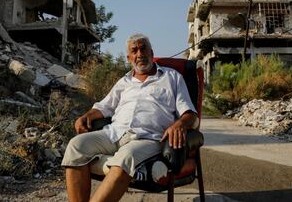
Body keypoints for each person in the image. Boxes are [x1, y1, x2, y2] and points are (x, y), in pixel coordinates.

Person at [62, 33, 198, 202]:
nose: (139, 54)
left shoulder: (172, 77)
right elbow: (104, 107)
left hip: (148, 138)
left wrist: (180, 124)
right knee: (76, 145)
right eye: (134, 51)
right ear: (129, 58)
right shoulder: (124, 81)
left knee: (126, 157)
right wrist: (87, 116)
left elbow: (190, 113)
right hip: (114, 134)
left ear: (151, 52)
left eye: (143, 49)